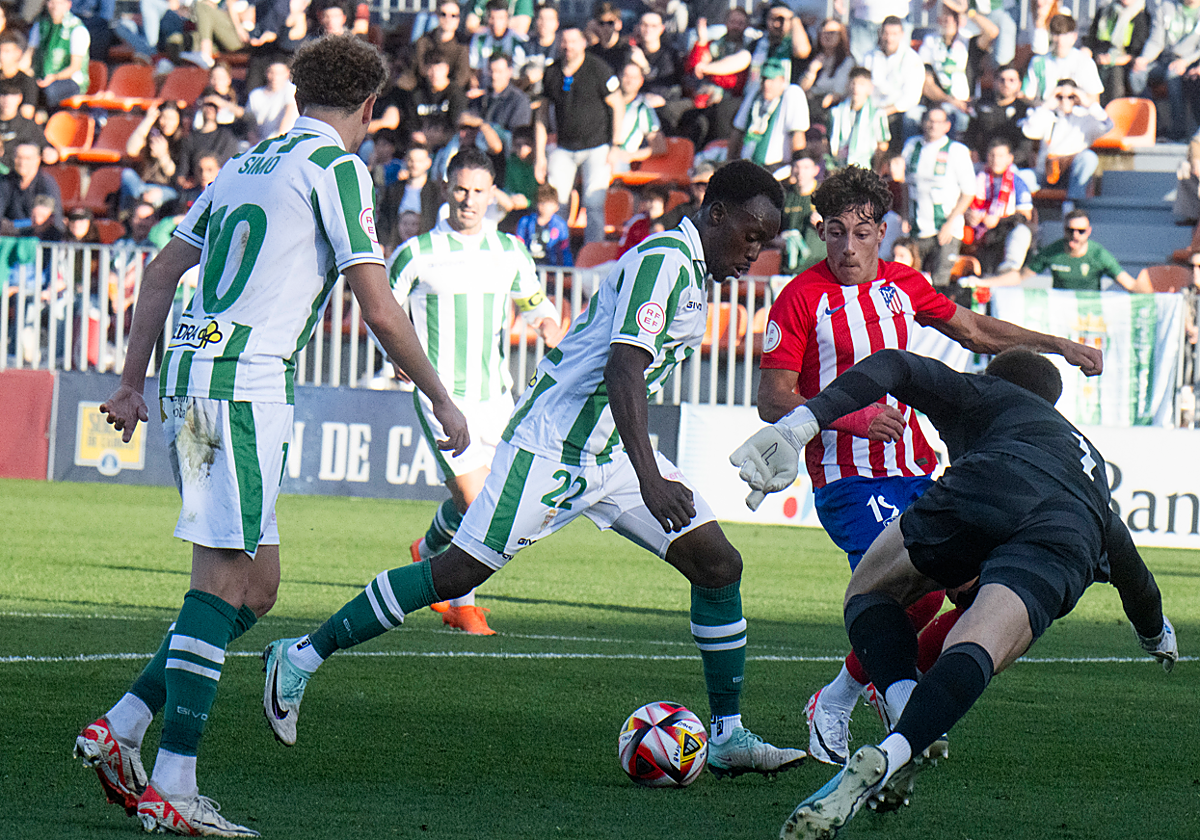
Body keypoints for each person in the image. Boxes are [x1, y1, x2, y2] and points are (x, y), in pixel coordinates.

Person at [261, 160, 810, 780]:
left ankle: (729, 735)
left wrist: (642, 470)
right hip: (553, 448)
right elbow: (623, 369)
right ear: (716, 215)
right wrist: (652, 478)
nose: (757, 252)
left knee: (718, 563)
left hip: (608, 453)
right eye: (752, 235)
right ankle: (302, 654)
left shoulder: (690, 269)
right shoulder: (665, 261)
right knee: (456, 572)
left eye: (765, 240)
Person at [72, 35, 469, 837]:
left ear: (297, 99)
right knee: (219, 584)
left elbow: (159, 274)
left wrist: (129, 379)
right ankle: (175, 785)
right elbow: (379, 303)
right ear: (368, 110)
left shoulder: (243, 164)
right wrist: (440, 395)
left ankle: (119, 727)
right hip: (242, 386)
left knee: (256, 587)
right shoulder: (337, 169)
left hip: (197, 379)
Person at [732, 347, 1177, 838]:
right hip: (1073, 529)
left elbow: (896, 364)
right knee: (978, 645)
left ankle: (901, 702)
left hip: (994, 479)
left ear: (992, 378)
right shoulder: (1087, 464)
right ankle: (895, 751)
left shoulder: (989, 394)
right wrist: (1156, 634)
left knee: (871, 590)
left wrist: (800, 425)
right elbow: (1136, 576)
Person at [754, 164, 1104, 768]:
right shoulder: (798, 298)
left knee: (976, 595)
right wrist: (854, 418)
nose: (847, 247)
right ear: (820, 232)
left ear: (881, 233)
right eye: (834, 233)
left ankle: (888, 693)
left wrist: (1059, 346)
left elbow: (972, 329)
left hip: (918, 467)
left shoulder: (903, 284)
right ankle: (845, 702)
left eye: (860, 234)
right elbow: (772, 397)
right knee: (907, 592)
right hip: (848, 475)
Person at [385, 147, 561, 636]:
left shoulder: (509, 251)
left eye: (478, 191)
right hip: (441, 397)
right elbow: (382, 312)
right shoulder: (418, 253)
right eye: (461, 189)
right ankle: (462, 606)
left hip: (496, 398)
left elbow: (534, 304)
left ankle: (430, 545)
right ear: (446, 188)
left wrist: (548, 323)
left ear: (491, 195)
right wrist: (396, 357)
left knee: (503, 504)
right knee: (481, 503)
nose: (468, 199)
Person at [535, 26, 623, 244]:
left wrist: (616, 145)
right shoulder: (552, 72)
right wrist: (540, 155)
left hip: (597, 145)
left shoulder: (598, 68)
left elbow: (618, 104)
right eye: (564, 41)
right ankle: (557, 250)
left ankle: (592, 256)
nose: (568, 46)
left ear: (583, 43)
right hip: (564, 147)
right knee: (557, 204)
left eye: (573, 41)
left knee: (593, 204)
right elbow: (542, 115)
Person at [980, 208, 1149, 291]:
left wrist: (1160, 296)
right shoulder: (1053, 252)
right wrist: (983, 283)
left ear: (1089, 231)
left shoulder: (1099, 255)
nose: (1075, 236)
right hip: (1062, 315)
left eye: (1081, 231)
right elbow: (1019, 277)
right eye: (1070, 230)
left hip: (1090, 316)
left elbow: (1130, 285)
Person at [901, 106, 976, 287]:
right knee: (910, 283)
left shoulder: (957, 150)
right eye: (930, 121)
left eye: (938, 122)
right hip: (917, 226)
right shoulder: (912, 146)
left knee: (939, 284)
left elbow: (968, 192)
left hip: (945, 229)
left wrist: (950, 223)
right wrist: (904, 214)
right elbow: (905, 184)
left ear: (947, 126)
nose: (933, 126)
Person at [1020, 79, 1113, 205]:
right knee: (1020, 177)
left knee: (1089, 158)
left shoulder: (1084, 116)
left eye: (1070, 97)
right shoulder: (1046, 114)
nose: (1065, 101)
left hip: (1071, 171)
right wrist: (1046, 105)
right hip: (1046, 171)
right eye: (1060, 97)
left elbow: (1107, 125)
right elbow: (1029, 130)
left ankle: (1073, 204)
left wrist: (1088, 104)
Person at [919, 0, 998, 137]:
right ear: (939, 20)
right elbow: (927, 84)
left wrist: (967, 12)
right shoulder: (930, 42)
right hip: (939, 104)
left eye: (953, 15)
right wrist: (950, 100)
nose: (949, 20)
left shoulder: (969, 41)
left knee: (963, 119)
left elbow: (992, 32)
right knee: (913, 115)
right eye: (946, 16)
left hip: (967, 105)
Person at [1130, 0, 1200, 140]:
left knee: (1173, 74)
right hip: (1164, 60)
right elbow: (1156, 41)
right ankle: (1155, 124)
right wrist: (1145, 58)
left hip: (1190, 62)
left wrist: (1185, 61)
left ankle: (1178, 132)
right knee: (1136, 74)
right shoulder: (1166, 6)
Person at [965, 138, 1033, 277]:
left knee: (1022, 231)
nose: (996, 160)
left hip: (1003, 230)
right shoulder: (974, 178)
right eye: (992, 155)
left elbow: (1026, 215)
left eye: (1001, 156)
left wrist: (999, 220)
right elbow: (960, 202)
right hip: (975, 229)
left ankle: (1009, 269)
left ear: (1009, 159)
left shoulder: (1017, 182)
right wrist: (967, 214)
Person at [730, 58, 808, 171]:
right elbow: (738, 129)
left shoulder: (791, 94)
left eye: (772, 80)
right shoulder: (755, 95)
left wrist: (797, 167)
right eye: (764, 79)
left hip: (776, 168)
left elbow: (797, 135)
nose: (767, 84)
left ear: (782, 81)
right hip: (749, 167)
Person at [861, 16, 925, 152]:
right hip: (874, 107)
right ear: (880, 33)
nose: (889, 38)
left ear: (902, 35)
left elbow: (911, 97)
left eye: (894, 34)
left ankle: (906, 157)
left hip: (899, 110)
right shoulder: (869, 57)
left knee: (913, 115)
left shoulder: (912, 58)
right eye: (886, 33)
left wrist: (886, 111)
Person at [1022, 14, 1104, 105]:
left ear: (1074, 36)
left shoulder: (1085, 62)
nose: (1060, 40)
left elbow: (1094, 100)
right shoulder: (1037, 62)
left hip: (1077, 113)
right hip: (1048, 112)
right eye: (1056, 34)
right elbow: (1027, 96)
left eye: (1065, 34)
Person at [26, 0, 90, 108]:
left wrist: (54, 77)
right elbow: (28, 56)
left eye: (59, 3)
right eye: (51, 2)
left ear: (68, 5)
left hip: (70, 80)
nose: (55, 7)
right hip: (43, 77)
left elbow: (75, 67)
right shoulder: (40, 25)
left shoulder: (77, 29)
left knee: (48, 92)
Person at [1085, 0, 1150, 104]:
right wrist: (1088, 51)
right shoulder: (1104, 12)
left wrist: (1114, 60)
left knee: (1115, 73)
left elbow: (1136, 51)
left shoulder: (1141, 15)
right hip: (1101, 57)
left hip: (1123, 62)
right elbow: (1091, 40)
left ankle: (1114, 112)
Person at [826, 67, 890, 172]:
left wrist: (876, 171)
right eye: (853, 83)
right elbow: (828, 140)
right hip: (840, 166)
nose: (856, 88)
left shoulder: (877, 114)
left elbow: (882, 145)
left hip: (865, 167)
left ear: (870, 88)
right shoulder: (836, 113)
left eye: (861, 84)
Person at [612, 60, 666, 172]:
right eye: (626, 76)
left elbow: (659, 147)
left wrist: (631, 156)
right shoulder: (606, 103)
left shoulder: (642, 108)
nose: (629, 81)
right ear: (619, 77)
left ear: (641, 81)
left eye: (634, 77)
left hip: (619, 161)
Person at [800, 18, 854, 124]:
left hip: (831, 109)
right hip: (809, 105)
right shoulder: (814, 58)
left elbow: (839, 92)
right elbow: (801, 89)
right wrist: (812, 71)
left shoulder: (847, 61)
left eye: (832, 33)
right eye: (824, 32)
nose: (827, 36)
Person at [780, 150, 825, 274]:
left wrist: (824, 224)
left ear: (815, 170)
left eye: (806, 168)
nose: (800, 173)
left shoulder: (825, 194)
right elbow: (773, 234)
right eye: (797, 167)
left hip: (817, 267)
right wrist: (781, 241)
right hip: (790, 267)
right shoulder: (785, 196)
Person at [0, 141, 61, 229]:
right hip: (9, 238)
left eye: (28, 158)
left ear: (38, 159)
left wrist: (12, 225)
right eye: (19, 157)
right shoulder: (6, 181)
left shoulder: (46, 183)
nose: (22, 162)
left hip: (42, 239)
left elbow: (40, 221)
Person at [414, 0, 472, 91]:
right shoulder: (423, 42)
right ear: (437, 15)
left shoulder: (463, 45)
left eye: (453, 16)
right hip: (425, 93)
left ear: (458, 19)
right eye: (444, 14)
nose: (448, 19)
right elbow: (416, 71)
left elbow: (462, 78)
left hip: (451, 95)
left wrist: (444, 83)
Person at [469, 0, 528, 90]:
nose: (496, 23)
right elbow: (475, 72)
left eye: (500, 18)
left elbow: (519, 76)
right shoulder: (480, 39)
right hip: (485, 90)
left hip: (511, 90)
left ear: (507, 19)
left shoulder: (518, 40)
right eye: (492, 18)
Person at [516, 181, 572, 266]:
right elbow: (518, 246)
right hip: (530, 268)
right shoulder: (525, 222)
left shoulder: (560, 225)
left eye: (549, 204)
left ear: (556, 206)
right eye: (542, 203)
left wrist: (567, 273)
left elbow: (564, 250)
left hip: (552, 271)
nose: (545, 207)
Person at [247, 59, 299, 141]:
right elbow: (250, 123)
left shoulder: (290, 90)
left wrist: (277, 140)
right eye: (272, 73)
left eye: (279, 74)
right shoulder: (255, 95)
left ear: (287, 73)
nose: (275, 77)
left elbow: (290, 114)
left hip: (283, 140)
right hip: (259, 143)